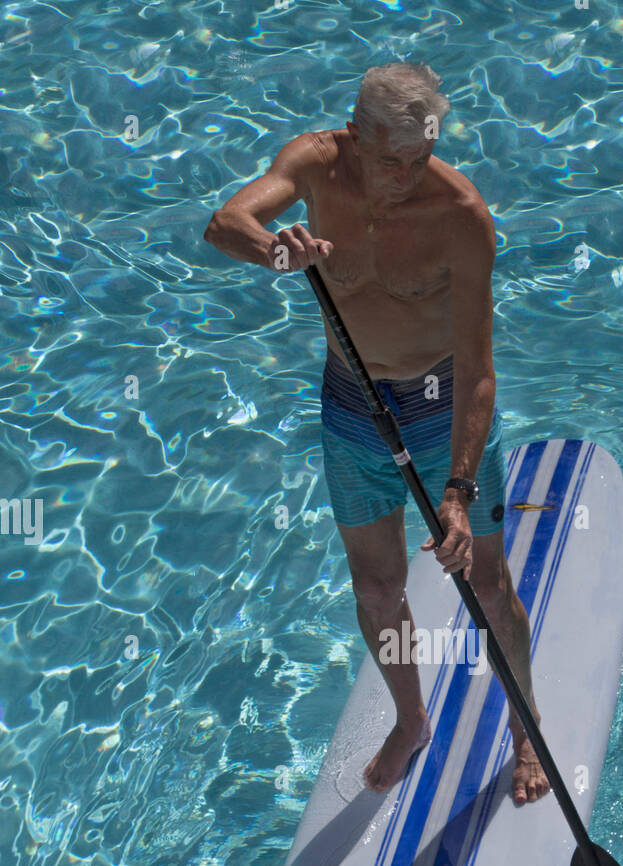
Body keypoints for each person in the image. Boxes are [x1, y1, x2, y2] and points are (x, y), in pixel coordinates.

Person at [204, 61, 550, 805]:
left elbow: (480, 368)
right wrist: (275, 250)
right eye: (390, 160)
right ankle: (410, 717)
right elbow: (225, 222)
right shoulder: (315, 165)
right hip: (352, 406)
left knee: (487, 584)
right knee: (378, 586)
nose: (406, 176)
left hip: (439, 409)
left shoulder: (459, 215)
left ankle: (526, 731)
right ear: (354, 136)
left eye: (420, 158)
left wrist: (459, 490)